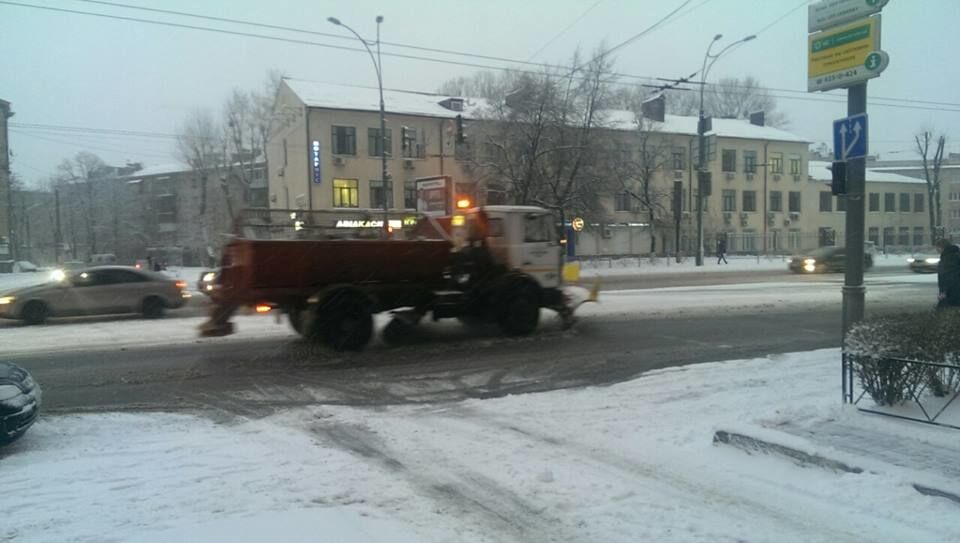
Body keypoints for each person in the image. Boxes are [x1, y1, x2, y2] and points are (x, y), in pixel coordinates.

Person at [936, 238, 960, 309]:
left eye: (937, 248)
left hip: (951, 291)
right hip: (953, 290)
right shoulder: (954, 255)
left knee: (944, 311)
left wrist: (943, 291)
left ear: (941, 247)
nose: (936, 250)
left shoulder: (948, 258)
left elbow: (947, 276)